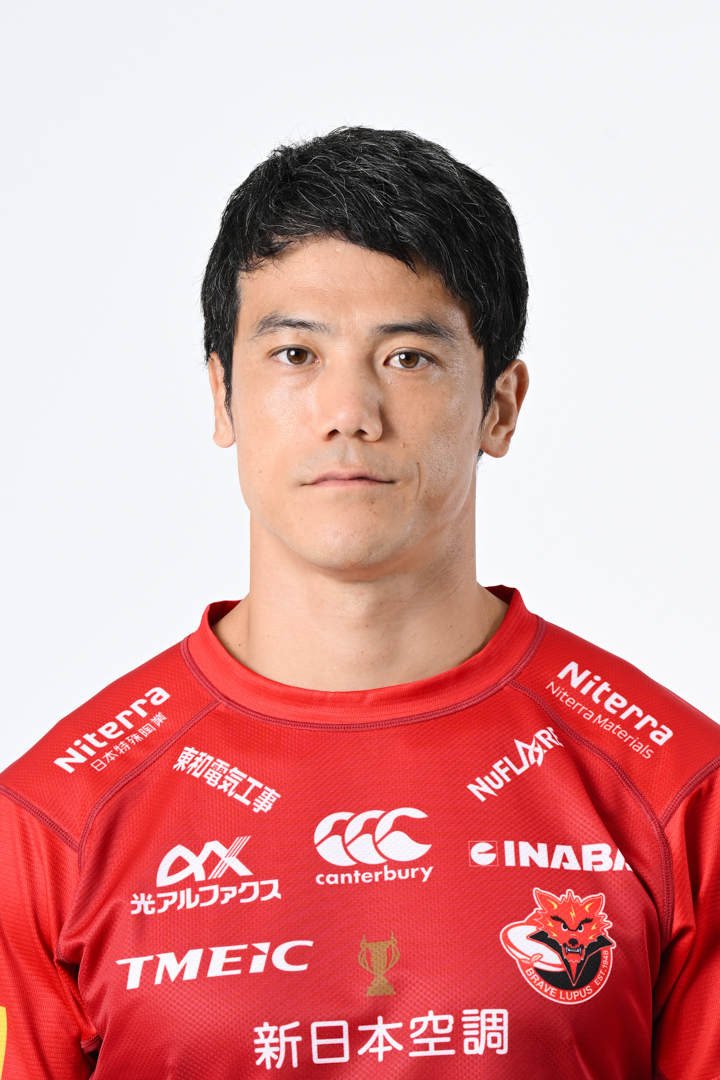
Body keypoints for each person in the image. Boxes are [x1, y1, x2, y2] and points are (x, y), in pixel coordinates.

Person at [0, 126, 717, 1080]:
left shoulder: (678, 792)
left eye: (408, 358)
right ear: (221, 396)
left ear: (501, 405)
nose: (350, 413)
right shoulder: (52, 823)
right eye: (295, 353)